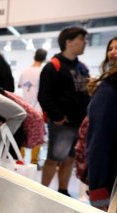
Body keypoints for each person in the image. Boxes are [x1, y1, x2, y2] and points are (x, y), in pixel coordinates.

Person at [38, 26, 90, 197]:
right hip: (62, 124)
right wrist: (58, 117)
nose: (85, 43)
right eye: (81, 39)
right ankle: (42, 192)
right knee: (54, 158)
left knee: (70, 159)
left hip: (79, 123)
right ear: (68, 42)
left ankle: (62, 191)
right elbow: (44, 95)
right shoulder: (53, 66)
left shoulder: (82, 67)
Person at [84, 38, 117, 210]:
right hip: (109, 178)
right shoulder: (108, 88)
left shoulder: (109, 88)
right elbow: (98, 142)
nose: (112, 52)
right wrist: (97, 190)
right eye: (110, 48)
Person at [18, 48, 47, 166]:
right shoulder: (43, 71)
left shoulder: (25, 71)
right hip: (38, 108)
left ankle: (20, 159)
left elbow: (20, 85)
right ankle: (34, 162)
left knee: (23, 133)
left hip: (25, 106)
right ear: (44, 58)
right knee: (37, 134)